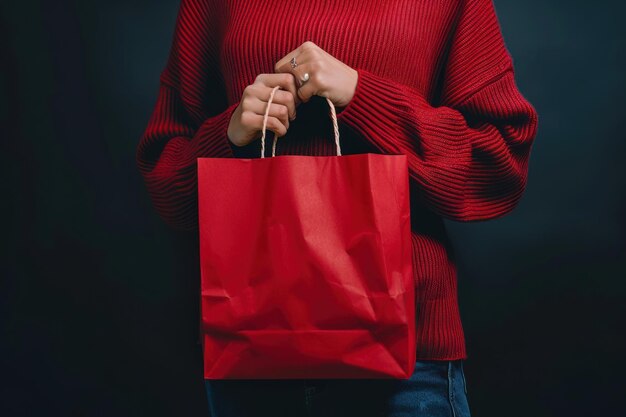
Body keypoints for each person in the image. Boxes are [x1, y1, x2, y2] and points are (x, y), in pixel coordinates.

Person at [136, 0, 538, 415]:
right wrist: (229, 134)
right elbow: (167, 185)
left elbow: (500, 165)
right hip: (252, 351)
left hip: (405, 363)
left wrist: (362, 95)